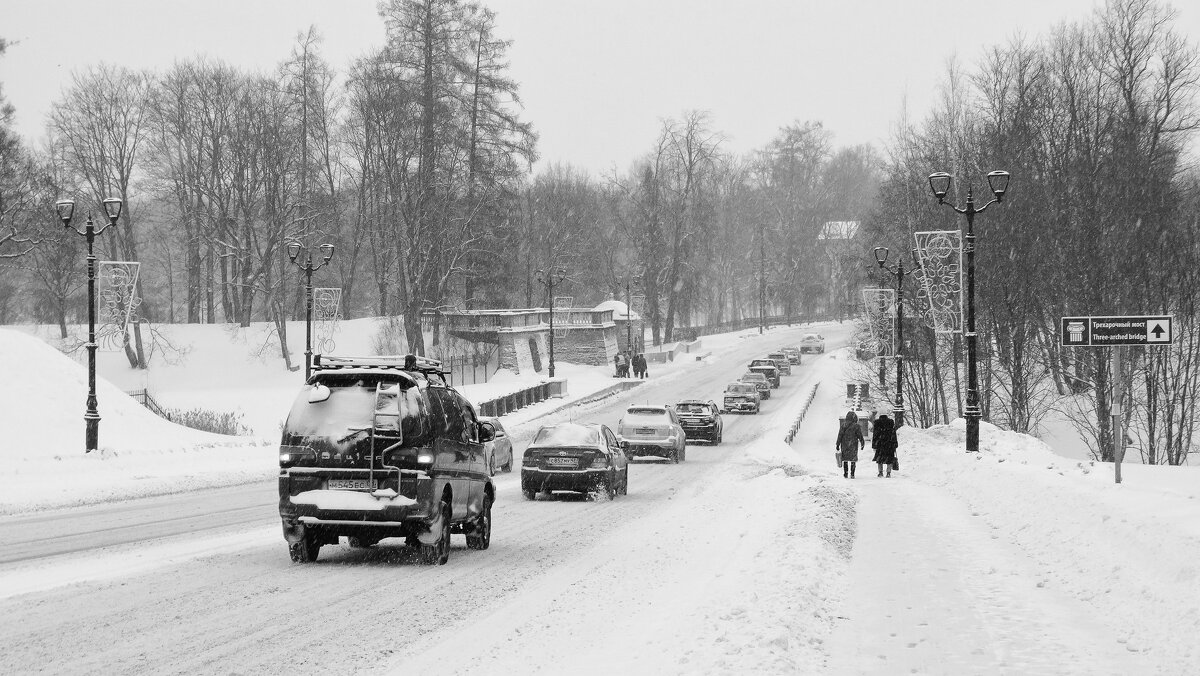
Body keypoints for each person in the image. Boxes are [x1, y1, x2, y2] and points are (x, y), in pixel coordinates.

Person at [835, 410, 865, 478]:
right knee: (853, 460)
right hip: (853, 444)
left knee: (845, 459)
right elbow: (860, 435)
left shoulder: (843, 425)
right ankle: (852, 474)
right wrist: (862, 443)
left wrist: (837, 444)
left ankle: (845, 473)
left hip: (845, 444)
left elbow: (840, 435)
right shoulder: (856, 426)